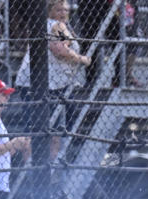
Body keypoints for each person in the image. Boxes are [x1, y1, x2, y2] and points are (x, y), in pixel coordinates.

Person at [14, 0, 90, 160]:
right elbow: (59, 49)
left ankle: (47, 166)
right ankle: (35, 168)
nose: (63, 13)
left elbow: (61, 44)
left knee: (51, 127)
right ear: (50, 11)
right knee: (40, 128)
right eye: (58, 9)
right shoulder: (56, 25)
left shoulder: (53, 25)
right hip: (43, 83)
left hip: (50, 83)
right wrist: (82, 59)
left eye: (65, 10)